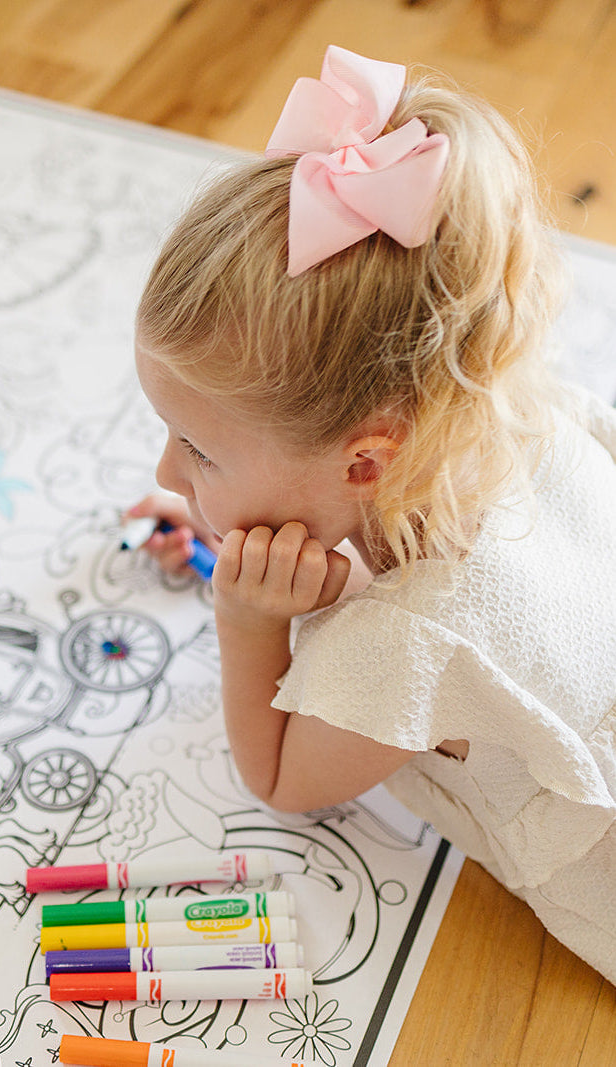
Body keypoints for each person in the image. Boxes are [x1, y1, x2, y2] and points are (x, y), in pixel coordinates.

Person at [128, 45, 616, 983]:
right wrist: (230, 495)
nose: (166, 470)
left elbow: (280, 778)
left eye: (199, 450)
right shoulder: (524, 411)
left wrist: (248, 619)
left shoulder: (402, 643)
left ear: (364, 460)